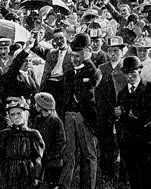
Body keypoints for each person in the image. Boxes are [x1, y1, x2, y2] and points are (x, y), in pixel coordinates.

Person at [115, 56, 151, 189]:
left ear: (140, 71)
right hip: (129, 140)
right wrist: (117, 115)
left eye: (133, 72)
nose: (129, 76)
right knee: (133, 174)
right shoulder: (122, 93)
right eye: (126, 73)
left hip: (146, 139)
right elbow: (120, 116)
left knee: (149, 175)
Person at [60, 33, 100, 189]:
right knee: (68, 153)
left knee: (89, 154)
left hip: (85, 117)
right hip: (69, 116)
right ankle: (65, 185)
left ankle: (88, 186)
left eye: (79, 55)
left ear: (86, 54)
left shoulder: (91, 71)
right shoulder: (69, 73)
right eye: (73, 55)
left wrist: (88, 59)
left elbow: (95, 80)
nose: (75, 59)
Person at [96, 36, 127, 182]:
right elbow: (98, 93)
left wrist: (123, 108)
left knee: (124, 143)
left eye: (116, 51)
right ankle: (106, 173)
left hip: (122, 111)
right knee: (106, 143)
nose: (113, 54)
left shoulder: (126, 68)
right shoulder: (102, 69)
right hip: (105, 112)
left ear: (122, 51)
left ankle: (123, 175)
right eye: (110, 51)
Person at [0, 97, 44, 189]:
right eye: (12, 114)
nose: (16, 117)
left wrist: (37, 177)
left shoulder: (33, 134)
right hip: (8, 172)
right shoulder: (3, 134)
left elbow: (37, 158)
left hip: (27, 172)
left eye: (19, 113)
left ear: (26, 114)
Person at [31, 92, 65, 189]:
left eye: (37, 103)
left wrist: (49, 156)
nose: (35, 105)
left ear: (43, 105)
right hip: (40, 161)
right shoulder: (38, 119)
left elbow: (61, 142)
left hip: (53, 163)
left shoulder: (56, 121)